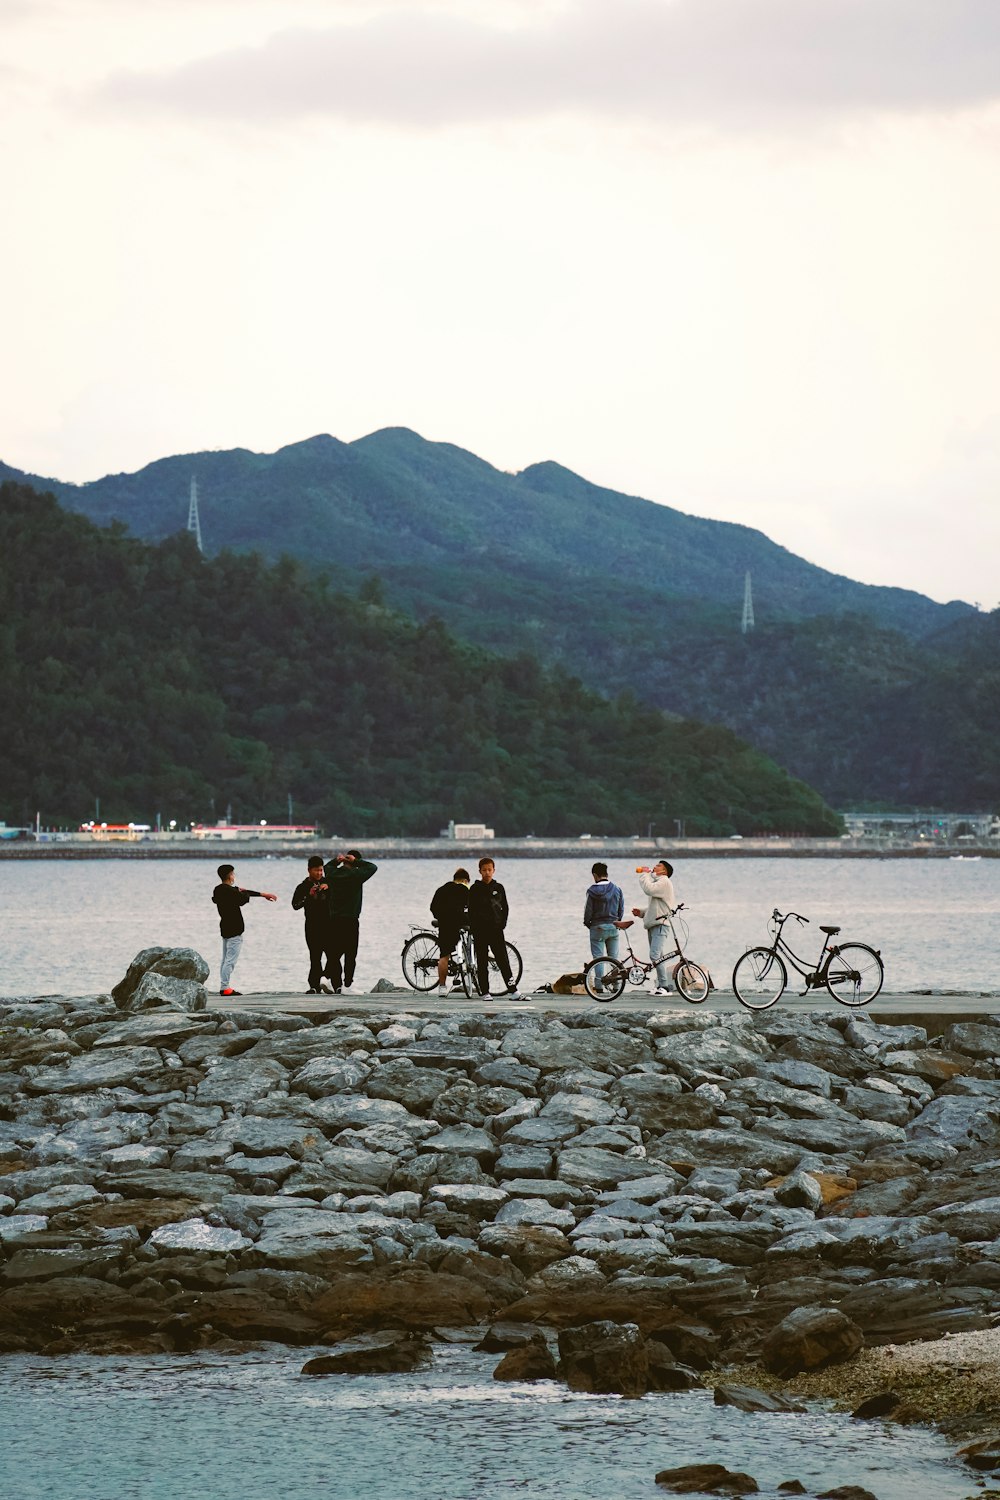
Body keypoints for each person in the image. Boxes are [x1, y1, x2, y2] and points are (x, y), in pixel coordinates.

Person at [211, 863, 277, 996]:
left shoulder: (218, 890)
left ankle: (224, 986)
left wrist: (263, 894)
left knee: (225, 959)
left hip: (225, 928)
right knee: (230, 961)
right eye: (233, 874)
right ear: (230, 875)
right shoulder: (230, 891)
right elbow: (243, 898)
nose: (234, 876)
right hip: (235, 928)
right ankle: (225, 987)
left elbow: (241, 892)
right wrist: (244, 893)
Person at [467, 856, 525, 1001]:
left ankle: (513, 991)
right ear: (479, 871)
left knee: (503, 960)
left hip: (496, 929)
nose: (487, 872)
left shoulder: (498, 888)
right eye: (484, 870)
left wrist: (502, 923)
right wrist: (474, 928)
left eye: (489, 870)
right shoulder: (474, 889)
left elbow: (505, 907)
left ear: (494, 870)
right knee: (482, 960)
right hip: (480, 931)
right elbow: (471, 910)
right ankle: (485, 992)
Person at [323, 848, 378, 993]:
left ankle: (336, 985)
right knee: (350, 953)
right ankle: (348, 983)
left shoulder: (334, 873)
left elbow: (326, 867)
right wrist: (356, 861)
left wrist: (337, 860)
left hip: (334, 919)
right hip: (351, 920)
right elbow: (373, 867)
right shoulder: (357, 874)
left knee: (334, 954)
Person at [632, 859, 677, 996]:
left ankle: (664, 986)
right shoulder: (660, 882)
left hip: (661, 925)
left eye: (658, 865)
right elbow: (656, 907)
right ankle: (661, 985)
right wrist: (642, 912)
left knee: (655, 955)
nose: (655, 866)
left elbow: (648, 889)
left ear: (664, 871)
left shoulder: (664, 881)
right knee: (659, 956)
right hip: (654, 924)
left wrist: (644, 874)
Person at [291, 856, 334, 994]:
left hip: (329, 925)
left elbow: (339, 895)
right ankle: (314, 986)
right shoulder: (302, 887)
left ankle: (329, 980)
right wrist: (308, 895)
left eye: (321, 870)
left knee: (333, 955)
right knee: (315, 957)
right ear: (309, 870)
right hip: (312, 926)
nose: (319, 874)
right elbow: (295, 906)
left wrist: (330, 887)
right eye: (316, 871)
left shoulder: (327, 883)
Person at [430, 867, 471, 998]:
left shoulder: (441, 889)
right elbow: (472, 906)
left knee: (444, 955)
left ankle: (442, 987)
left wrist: (441, 917)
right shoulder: (465, 889)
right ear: (465, 880)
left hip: (445, 923)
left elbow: (433, 907)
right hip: (458, 921)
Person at [584, 861, 625, 970]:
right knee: (614, 958)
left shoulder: (591, 891)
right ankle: (617, 985)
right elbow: (621, 909)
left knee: (598, 959)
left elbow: (588, 911)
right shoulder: (617, 889)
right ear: (606, 874)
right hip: (613, 926)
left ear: (594, 875)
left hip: (597, 927)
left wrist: (588, 923)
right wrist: (617, 922)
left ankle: (599, 985)